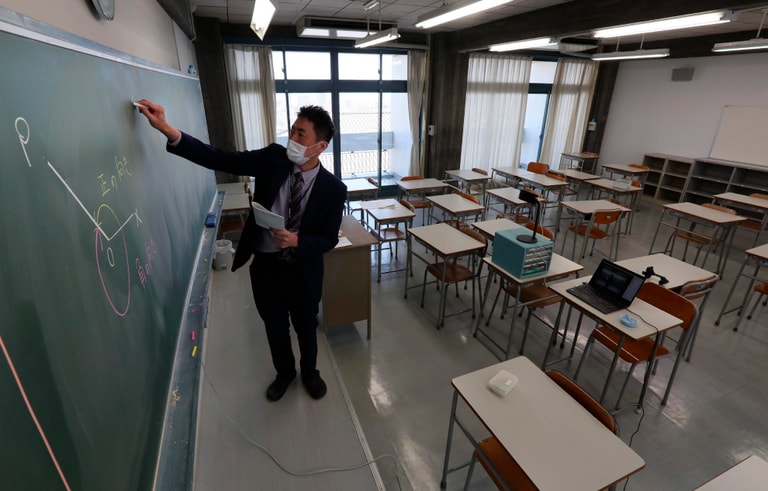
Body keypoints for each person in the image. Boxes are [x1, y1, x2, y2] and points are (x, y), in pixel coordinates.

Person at [136, 99, 346, 402]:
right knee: (274, 326)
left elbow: (328, 239)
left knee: (306, 327)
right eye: (292, 131)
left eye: (301, 134)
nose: (292, 138)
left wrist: (297, 241)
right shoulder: (273, 158)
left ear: (321, 146)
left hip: (303, 270)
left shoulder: (334, 189)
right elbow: (222, 158)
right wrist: (169, 130)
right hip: (266, 267)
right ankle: (285, 373)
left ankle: (310, 373)